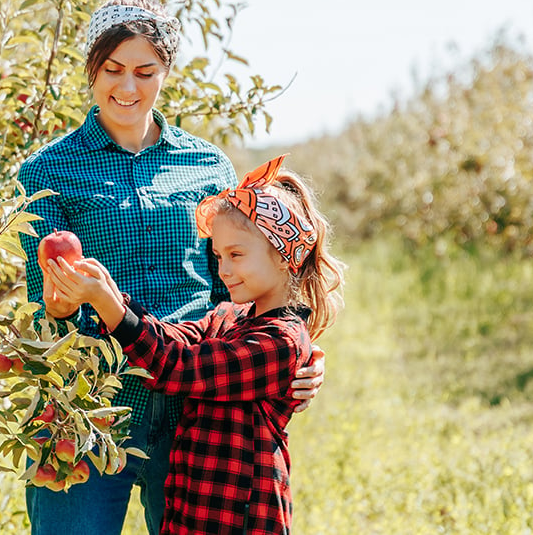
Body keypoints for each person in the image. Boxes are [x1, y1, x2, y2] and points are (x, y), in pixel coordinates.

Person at [16, 0, 326, 535]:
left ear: (166, 72)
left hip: (197, 413)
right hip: (88, 407)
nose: (128, 87)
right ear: (91, 69)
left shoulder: (206, 166)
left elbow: (242, 284)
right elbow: (43, 304)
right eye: (112, 69)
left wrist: (299, 354)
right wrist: (61, 304)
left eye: (145, 70)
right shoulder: (48, 170)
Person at [43, 154, 346, 535]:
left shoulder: (279, 343)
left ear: (285, 256)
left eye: (236, 255)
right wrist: (114, 300)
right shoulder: (230, 316)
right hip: (194, 511)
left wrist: (110, 306)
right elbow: (175, 338)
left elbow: (180, 366)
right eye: (218, 256)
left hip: (240, 518)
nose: (223, 270)